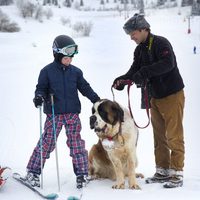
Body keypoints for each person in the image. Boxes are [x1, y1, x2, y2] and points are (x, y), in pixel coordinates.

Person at [112, 14, 185, 188]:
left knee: (174, 134)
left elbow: (168, 64)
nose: (131, 37)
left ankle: (177, 172)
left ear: (143, 29)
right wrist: (123, 80)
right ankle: (162, 170)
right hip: (154, 96)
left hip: (172, 94)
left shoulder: (161, 43)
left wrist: (143, 73)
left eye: (133, 33)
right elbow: (134, 70)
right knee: (159, 136)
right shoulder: (139, 50)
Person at [25, 35, 100, 189]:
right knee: (47, 142)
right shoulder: (46, 71)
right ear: (57, 54)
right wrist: (39, 97)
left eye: (71, 58)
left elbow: (85, 87)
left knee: (76, 144)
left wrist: (96, 100)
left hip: (72, 113)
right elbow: (41, 88)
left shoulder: (76, 72)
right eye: (66, 57)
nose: (70, 60)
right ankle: (33, 172)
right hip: (54, 113)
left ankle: (82, 174)